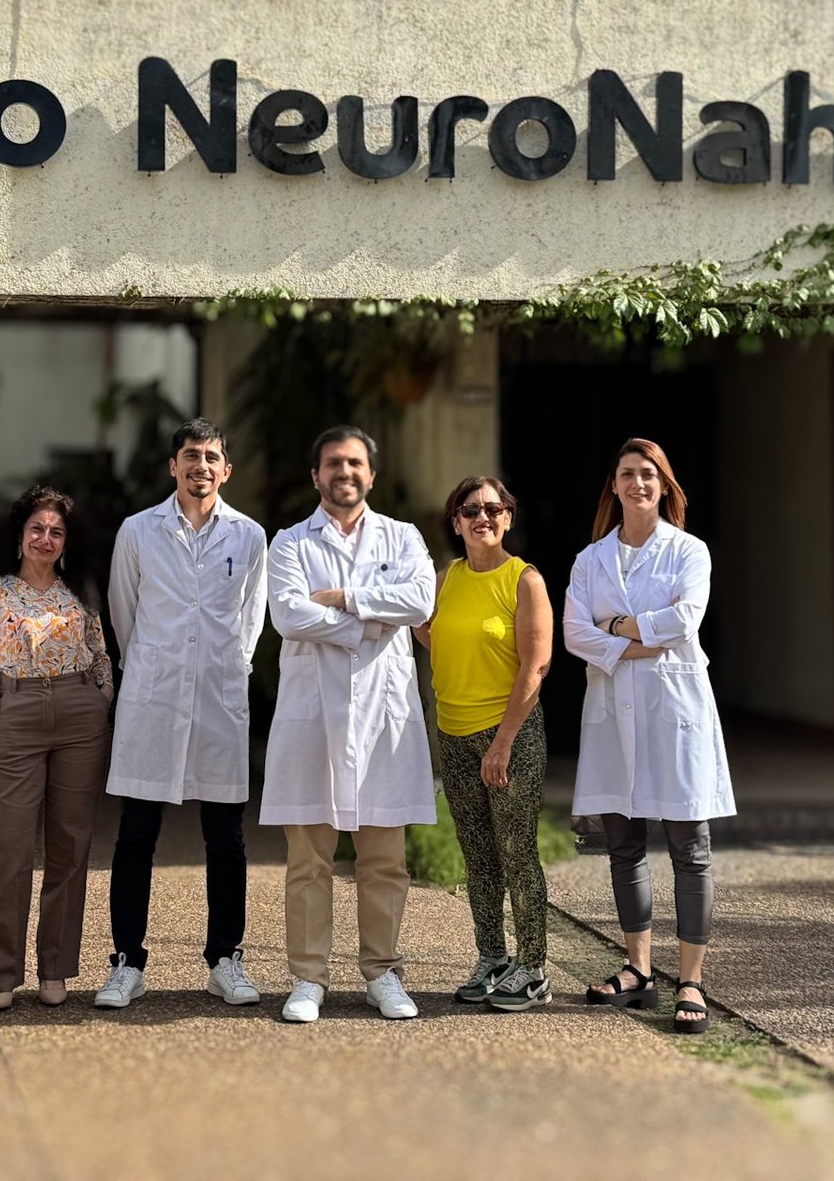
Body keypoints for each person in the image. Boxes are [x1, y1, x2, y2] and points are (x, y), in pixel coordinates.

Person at [262, 424, 437, 1024]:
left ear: (371, 474)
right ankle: (308, 978)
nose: (345, 472)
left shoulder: (403, 536)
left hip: (383, 720)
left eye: (355, 463)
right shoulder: (290, 543)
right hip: (313, 719)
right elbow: (289, 615)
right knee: (309, 860)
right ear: (316, 475)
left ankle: (382, 973)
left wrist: (341, 598)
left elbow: (420, 603)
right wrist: (371, 620)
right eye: (334, 463)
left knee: (384, 859)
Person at [562, 438, 734, 1035]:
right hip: (614, 713)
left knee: (690, 847)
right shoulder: (590, 560)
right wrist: (636, 642)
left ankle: (691, 980)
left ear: (664, 485)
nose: (637, 483)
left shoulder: (689, 551)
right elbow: (574, 634)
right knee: (624, 844)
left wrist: (613, 628)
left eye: (648, 474)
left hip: (673, 711)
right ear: (613, 485)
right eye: (627, 474)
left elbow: (686, 621)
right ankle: (638, 970)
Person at [95, 418, 269, 1009]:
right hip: (155, 698)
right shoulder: (138, 531)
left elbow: (251, 620)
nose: (201, 465)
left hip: (219, 699)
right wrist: (153, 665)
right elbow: (123, 613)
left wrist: (227, 668)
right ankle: (127, 962)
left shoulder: (250, 536)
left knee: (226, 837)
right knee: (136, 834)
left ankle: (225, 959)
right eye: (191, 455)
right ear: (173, 466)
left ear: (226, 470)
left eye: (212, 456)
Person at [0, 485, 115, 1013]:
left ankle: (55, 969)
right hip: (20, 711)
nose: (46, 539)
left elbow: (99, 652)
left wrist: (100, 696)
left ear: (66, 541)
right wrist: (2, 680)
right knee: (12, 846)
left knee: (70, 845)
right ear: (21, 535)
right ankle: (2, 973)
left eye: (56, 532)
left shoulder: (79, 590)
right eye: (37, 529)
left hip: (79, 714)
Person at [414, 476, 554, 1012]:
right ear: (456, 523)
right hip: (452, 734)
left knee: (516, 852)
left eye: (493, 509)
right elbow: (429, 631)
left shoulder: (524, 580)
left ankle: (533, 967)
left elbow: (536, 667)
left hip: (509, 736)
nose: (482, 517)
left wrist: (502, 743)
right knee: (477, 855)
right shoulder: (445, 578)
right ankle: (492, 957)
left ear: (508, 518)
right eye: (470, 510)